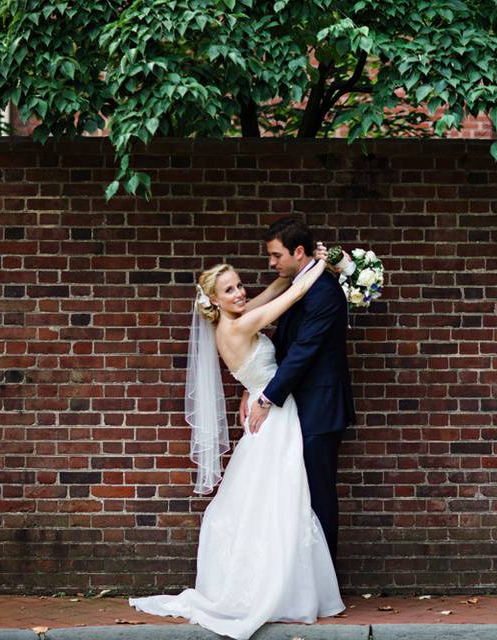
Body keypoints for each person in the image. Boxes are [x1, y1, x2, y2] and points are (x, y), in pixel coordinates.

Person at [130, 244, 344, 640]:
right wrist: (321, 264)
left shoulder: (233, 319)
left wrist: (290, 269)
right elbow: (293, 294)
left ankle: (281, 583)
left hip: (265, 407)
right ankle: (276, 589)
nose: (241, 293)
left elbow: (277, 287)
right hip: (274, 414)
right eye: (230, 290)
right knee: (282, 499)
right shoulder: (240, 325)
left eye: (240, 285)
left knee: (266, 499)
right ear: (213, 300)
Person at [242, 217, 355, 561]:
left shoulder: (323, 292)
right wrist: (253, 386)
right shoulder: (301, 284)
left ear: (299, 251)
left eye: (276, 255)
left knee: (318, 494)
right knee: (297, 492)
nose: (271, 263)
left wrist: (267, 397)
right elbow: (281, 346)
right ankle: (304, 575)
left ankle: (326, 580)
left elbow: (303, 352)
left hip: (320, 408)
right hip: (299, 406)